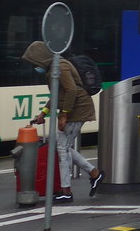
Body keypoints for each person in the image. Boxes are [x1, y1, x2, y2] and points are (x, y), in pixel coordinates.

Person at [23, 41, 102, 201]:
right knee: (62, 146)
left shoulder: (60, 67)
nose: (34, 66)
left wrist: (64, 114)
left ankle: (67, 191)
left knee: (62, 147)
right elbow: (57, 94)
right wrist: (43, 113)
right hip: (74, 109)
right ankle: (94, 173)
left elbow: (72, 90)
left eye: (35, 62)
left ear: (41, 58)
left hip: (78, 109)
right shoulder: (53, 68)